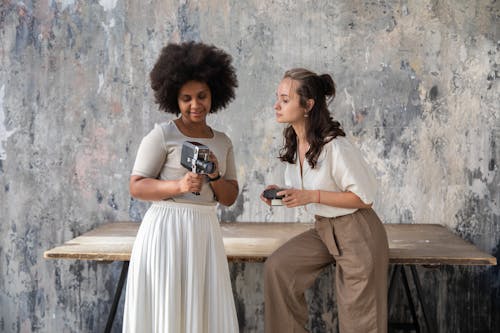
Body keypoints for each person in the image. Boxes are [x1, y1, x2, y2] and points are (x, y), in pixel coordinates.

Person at [123, 42, 239, 333]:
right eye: (186, 98)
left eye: (202, 96)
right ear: (174, 98)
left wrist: (213, 175)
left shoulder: (223, 142)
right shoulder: (162, 135)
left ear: (215, 94)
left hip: (205, 230)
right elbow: (136, 186)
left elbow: (229, 198)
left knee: (203, 309)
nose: (195, 105)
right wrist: (179, 184)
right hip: (166, 230)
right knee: (168, 308)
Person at [261, 68, 389, 333]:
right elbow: (310, 187)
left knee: (359, 322)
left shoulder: (335, 146)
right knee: (279, 268)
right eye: (278, 98)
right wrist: (284, 192)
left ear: (308, 105)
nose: (277, 105)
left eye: (285, 100)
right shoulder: (295, 143)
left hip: (357, 232)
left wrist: (311, 196)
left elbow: (364, 199)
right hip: (324, 230)